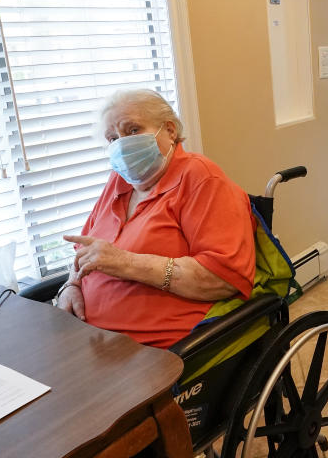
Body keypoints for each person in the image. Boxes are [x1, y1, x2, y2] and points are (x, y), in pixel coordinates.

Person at [54, 88, 256, 348]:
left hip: (156, 351)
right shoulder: (119, 181)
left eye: (133, 130)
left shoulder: (201, 179)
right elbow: (86, 251)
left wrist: (127, 263)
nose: (122, 144)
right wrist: (71, 285)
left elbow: (223, 278)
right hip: (93, 339)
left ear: (170, 130)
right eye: (112, 137)